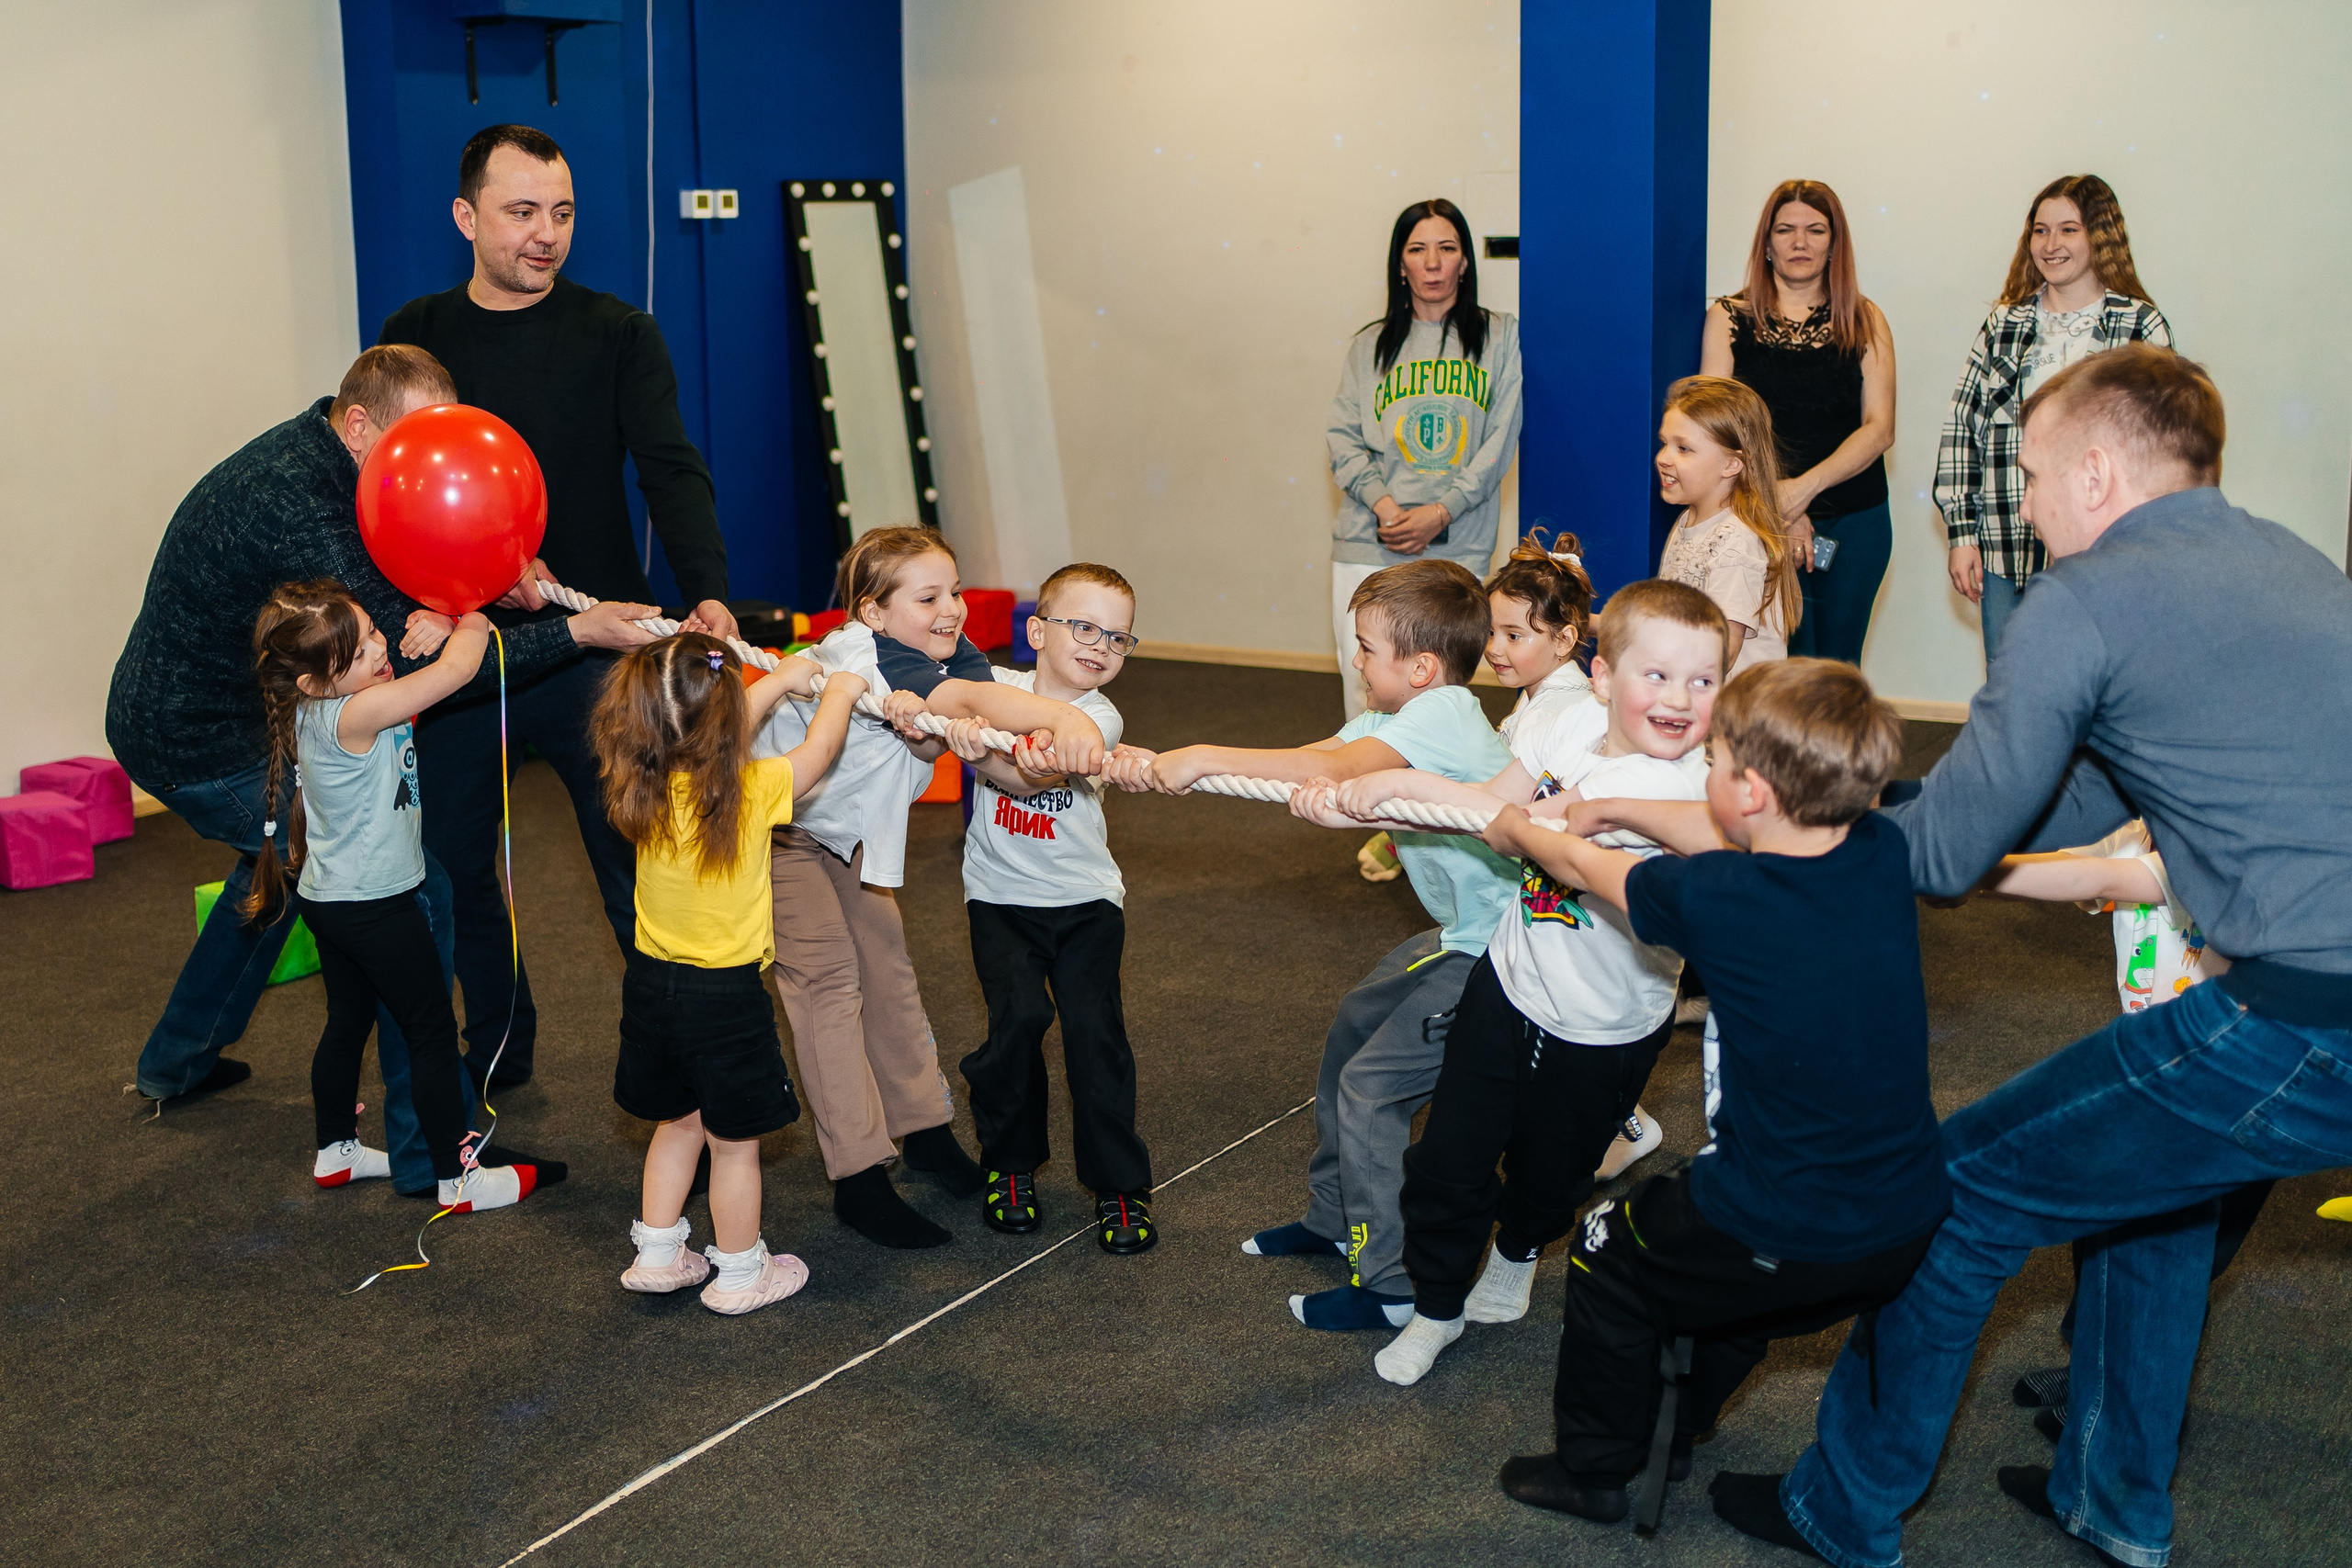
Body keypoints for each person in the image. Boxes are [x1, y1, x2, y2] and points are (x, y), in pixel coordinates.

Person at [1713, 347, 2352, 1568]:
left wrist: (1779, 842)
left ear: (2101, 470)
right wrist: (1875, 812)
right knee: (2151, 1185)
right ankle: (2113, 1499)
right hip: (2321, 1013)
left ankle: (1841, 1505)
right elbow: (2089, 788)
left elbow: (1951, 848)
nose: (2027, 501)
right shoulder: (2291, 560)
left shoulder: (2088, 595)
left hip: (2302, 1020)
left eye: (2034, 470)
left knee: (1957, 1191)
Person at [104, 345, 653, 1192]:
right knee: (412, 892)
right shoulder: (301, 503)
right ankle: (436, 1147)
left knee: (287, 869)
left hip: (213, 713)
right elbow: (411, 657)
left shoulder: (335, 456)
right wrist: (579, 631)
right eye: (416, 439)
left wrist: (490, 572)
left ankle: (176, 1061)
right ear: (359, 425)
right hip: (198, 738)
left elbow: (425, 572)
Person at [1484, 660, 1945, 1528]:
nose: (1708, 776)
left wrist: (1524, 828)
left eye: (1719, 761)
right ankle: (1680, 1420)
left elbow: (1582, 867)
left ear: (1754, 789)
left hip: (1790, 1225)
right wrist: (1614, 803)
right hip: (1907, 1216)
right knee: (1723, 1275)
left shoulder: (1717, 896)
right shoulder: (1878, 846)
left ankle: (1594, 1470)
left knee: (1608, 1247)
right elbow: (1716, 827)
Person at [379, 124, 731, 1094]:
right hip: (460, 646)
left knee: (635, 868)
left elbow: (669, 465)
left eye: (563, 212)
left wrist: (705, 587)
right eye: (522, 211)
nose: (547, 233)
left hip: (596, 648)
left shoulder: (617, 332)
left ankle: (675, 1065)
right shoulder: (416, 334)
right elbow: (389, 482)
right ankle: (496, 1046)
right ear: (467, 217)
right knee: (452, 866)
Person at [1325, 580, 1728, 1386]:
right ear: (1604, 676)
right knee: (1449, 1158)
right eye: (1657, 675)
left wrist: (1408, 792)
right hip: (1508, 985)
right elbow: (1493, 799)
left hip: (1604, 1027)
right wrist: (1366, 797)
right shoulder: (1572, 725)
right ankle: (1437, 1304)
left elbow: (1532, 828)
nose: (1680, 698)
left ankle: (1515, 1253)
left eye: (1704, 680)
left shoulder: (1676, 784)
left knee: (1551, 1173)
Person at [1139, 559, 1518, 1329]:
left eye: (1366, 648)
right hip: (1457, 932)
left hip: (1503, 949)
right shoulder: (1388, 722)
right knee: (1352, 1030)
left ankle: (1390, 1283)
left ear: (1421, 666)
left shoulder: (1444, 711)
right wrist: (1162, 764)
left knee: (1374, 1086)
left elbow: (1328, 768)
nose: (1355, 660)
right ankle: (1334, 1217)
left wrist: (1205, 752)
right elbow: (1314, 759)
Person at [758, 527, 1096, 1249]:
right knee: (828, 984)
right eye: (930, 596)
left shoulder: (944, 652)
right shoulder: (863, 652)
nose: (955, 608)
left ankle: (924, 1132)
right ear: (873, 613)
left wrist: (1052, 763)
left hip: (847, 836)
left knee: (888, 970)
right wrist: (1063, 716)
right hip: (779, 829)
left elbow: (999, 764)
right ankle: (857, 1175)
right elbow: (973, 696)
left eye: (956, 591)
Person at [250, 581, 562, 1211]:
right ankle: (457, 1176)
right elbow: (460, 668)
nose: (379, 646)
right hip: (376, 906)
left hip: (330, 900)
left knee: (348, 1021)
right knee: (430, 1031)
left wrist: (428, 628)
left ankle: (335, 1149)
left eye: (372, 630)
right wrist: (469, 612)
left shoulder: (318, 706)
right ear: (314, 682)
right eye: (359, 649)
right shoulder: (360, 711)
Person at [594, 634, 865, 1314]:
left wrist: (777, 682)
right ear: (727, 723)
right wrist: (840, 689)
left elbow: (707, 715)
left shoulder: (641, 779)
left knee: (676, 1122)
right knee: (734, 1145)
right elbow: (819, 752)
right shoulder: (751, 789)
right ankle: (743, 1272)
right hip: (726, 1000)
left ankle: (658, 1251)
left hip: (653, 987)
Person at [1984, 827, 2271, 1450]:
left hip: (2232, 1078)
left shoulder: (2213, 828)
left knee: (2177, 1255)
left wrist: (1975, 868)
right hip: (2159, 1062)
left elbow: (2108, 879)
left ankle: (2133, 1411)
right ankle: (2094, 1372)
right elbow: (2079, 863)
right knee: (2108, 1232)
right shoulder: (2135, 817)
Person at [944, 563, 1158, 1253]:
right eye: (1084, 626)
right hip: (1000, 898)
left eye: (1118, 638)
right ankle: (1009, 1166)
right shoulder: (1001, 688)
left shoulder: (1098, 716)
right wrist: (956, 723)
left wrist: (977, 753)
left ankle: (1121, 1186)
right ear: (1037, 630)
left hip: (1085, 902)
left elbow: (1031, 777)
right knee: (1016, 1027)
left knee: (1096, 1037)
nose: (1100, 645)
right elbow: (953, 693)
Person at [1482, 534, 1660, 1177]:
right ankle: (1625, 1116)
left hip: (1556, 907)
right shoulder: (1535, 701)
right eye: (1492, 633)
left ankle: (1616, 1120)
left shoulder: (1557, 709)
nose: (1495, 649)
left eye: (1513, 635)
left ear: (1565, 641)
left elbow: (1514, 813)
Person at [1937, 174, 2170, 660]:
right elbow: (1963, 428)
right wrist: (1962, 534)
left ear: (2099, 236)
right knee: (2013, 697)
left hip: (2105, 555)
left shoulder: (2139, 325)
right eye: (2040, 231)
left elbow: (2160, 450)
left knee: (2098, 700)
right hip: (2006, 546)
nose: (2051, 244)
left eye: (2069, 229)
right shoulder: (2004, 324)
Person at [1326, 197, 1524, 724]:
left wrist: (1442, 511)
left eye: (1447, 248)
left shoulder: (1500, 337)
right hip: (1371, 540)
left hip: (1456, 541)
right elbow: (1343, 440)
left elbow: (1500, 441)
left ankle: (1432, 804)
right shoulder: (1369, 346)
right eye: (1418, 249)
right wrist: (1387, 508)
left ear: (1464, 261)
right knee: (1367, 687)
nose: (1433, 262)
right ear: (1400, 263)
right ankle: (1364, 801)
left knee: (1441, 694)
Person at [1701, 180, 1895, 664]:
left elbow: (1880, 428)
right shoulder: (1727, 317)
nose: (1800, 242)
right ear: (1766, 244)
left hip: (1856, 521)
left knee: (1839, 667)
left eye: (1815, 230)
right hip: (1758, 518)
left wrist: (1801, 490)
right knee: (1783, 667)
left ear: (1835, 244)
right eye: (1785, 230)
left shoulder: (1867, 319)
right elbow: (1715, 427)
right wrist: (1779, 505)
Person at [1655, 377, 1800, 675]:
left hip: (1736, 715)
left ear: (1732, 465)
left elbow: (1720, 655)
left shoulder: (1736, 541)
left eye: (1683, 449)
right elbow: (1662, 621)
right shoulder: (1688, 521)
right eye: (1664, 444)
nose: (1663, 458)